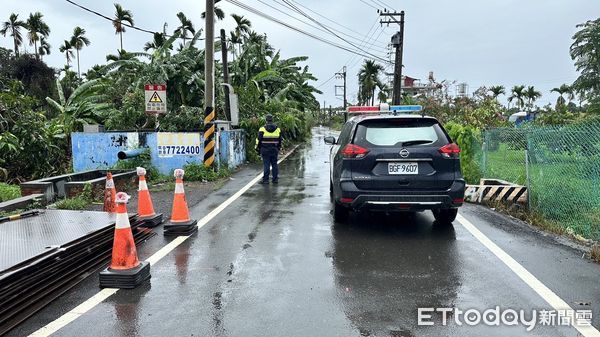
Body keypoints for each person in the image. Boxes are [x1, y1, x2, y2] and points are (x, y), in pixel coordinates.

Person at [255, 114, 282, 184]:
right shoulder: (278, 129)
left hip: (265, 149)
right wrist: (278, 148)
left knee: (266, 164)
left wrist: (257, 148)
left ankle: (266, 180)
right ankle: (275, 179)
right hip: (274, 149)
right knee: (274, 164)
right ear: (272, 120)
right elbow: (280, 140)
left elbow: (259, 140)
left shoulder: (262, 129)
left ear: (266, 120)